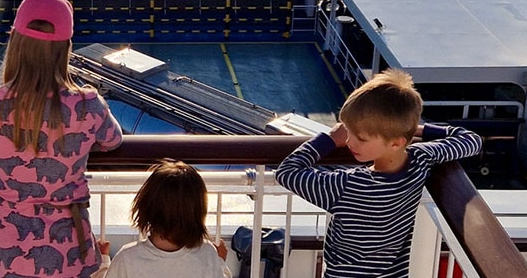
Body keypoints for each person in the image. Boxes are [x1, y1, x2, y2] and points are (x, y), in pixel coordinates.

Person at [0, 0, 123, 278]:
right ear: (66, 47)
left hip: (6, 249)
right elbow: (113, 140)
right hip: (66, 248)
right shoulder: (87, 105)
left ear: (14, 41)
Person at [275, 69, 482, 278]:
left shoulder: (348, 185)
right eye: (347, 131)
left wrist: (329, 139)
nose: (348, 142)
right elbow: (470, 140)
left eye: (361, 138)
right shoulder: (421, 159)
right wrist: (412, 129)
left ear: (395, 142)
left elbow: (287, 172)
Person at [93, 159, 230, 278]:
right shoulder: (207, 254)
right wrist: (221, 263)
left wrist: (104, 261)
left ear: (146, 208)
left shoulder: (127, 258)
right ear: (198, 213)